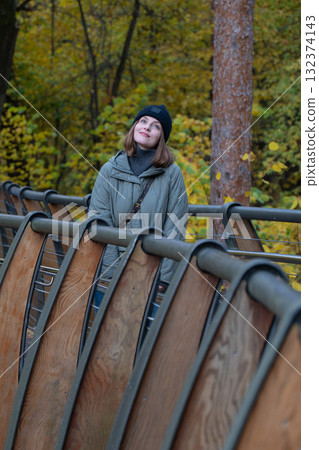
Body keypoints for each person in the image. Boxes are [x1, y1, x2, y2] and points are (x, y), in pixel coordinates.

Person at [89, 104, 188, 297]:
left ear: (162, 137)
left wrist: (163, 279)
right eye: (143, 121)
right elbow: (99, 221)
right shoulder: (110, 170)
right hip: (109, 275)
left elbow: (176, 227)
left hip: (151, 277)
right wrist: (111, 273)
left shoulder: (172, 174)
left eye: (156, 126)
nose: (147, 127)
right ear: (135, 126)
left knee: (146, 327)